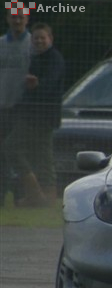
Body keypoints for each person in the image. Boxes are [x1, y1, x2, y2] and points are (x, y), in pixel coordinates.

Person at [3, 22, 65, 207]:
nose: (38, 41)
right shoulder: (35, 58)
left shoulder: (54, 58)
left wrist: (36, 84)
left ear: (50, 39)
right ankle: (44, 199)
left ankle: (36, 193)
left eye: (42, 38)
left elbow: (50, 85)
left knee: (10, 148)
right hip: (32, 115)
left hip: (41, 117)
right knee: (43, 157)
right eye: (36, 38)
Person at [0, 8, 31, 206]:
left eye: (21, 16)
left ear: (26, 19)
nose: (17, 20)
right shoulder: (1, 44)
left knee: (18, 152)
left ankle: (22, 195)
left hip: (22, 108)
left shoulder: (32, 45)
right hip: (1, 106)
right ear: (7, 19)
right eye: (13, 16)